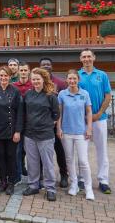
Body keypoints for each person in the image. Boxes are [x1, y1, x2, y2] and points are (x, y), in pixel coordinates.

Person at [22, 68, 60, 202]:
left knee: (48, 163)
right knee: (32, 163)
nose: (36, 81)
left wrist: (46, 124)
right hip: (29, 135)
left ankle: (50, 188)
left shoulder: (51, 96)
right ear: (31, 81)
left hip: (45, 136)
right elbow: (24, 113)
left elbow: (56, 114)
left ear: (43, 79)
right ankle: (33, 185)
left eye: (38, 79)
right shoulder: (28, 95)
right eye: (33, 79)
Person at [57, 70, 95, 201]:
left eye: (74, 79)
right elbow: (59, 114)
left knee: (83, 161)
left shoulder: (84, 94)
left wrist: (89, 128)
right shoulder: (62, 94)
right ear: (66, 80)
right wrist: (58, 128)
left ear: (78, 79)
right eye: (70, 79)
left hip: (81, 133)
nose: (72, 81)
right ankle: (73, 184)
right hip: (66, 132)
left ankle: (88, 187)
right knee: (69, 160)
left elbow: (89, 112)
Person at [79, 49, 112, 194]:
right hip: (82, 120)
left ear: (94, 58)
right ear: (81, 59)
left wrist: (99, 113)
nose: (87, 59)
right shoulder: (77, 75)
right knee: (81, 150)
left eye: (89, 56)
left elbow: (108, 96)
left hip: (99, 118)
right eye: (84, 57)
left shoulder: (102, 75)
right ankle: (81, 178)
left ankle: (103, 180)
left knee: (102, 150)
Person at [0, 66, 23, 195]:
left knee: (11, 157)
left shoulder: (15, 91)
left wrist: (18, 131)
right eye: (1, 75)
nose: (3, 78)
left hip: (12, 131)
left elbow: (20, 113)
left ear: (9, 77)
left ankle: (11, 182)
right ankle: (3, 181)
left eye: (5, 75)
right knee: (0, 157)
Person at [39, 57, 68, 188]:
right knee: (40, 151)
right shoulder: (37, 82)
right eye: (43, 64)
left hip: (56, 124)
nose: (46, 66)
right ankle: (39, 175)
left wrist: (59, 124)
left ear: (52, 66)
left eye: (48, 64)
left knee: (60, 151)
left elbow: (64, 105)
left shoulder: (60, 83)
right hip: (41, 124)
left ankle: (64, 175)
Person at [12, 62, 32, 183]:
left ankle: (33, 176)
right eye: (21, 70)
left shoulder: (33, 85)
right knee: (17, 150)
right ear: (18, 72)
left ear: (28, 71)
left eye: (25, 70)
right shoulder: (13, 86)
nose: (23, 72)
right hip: (17, 124)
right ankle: (17, 175)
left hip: (30, 124)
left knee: (29, 151)